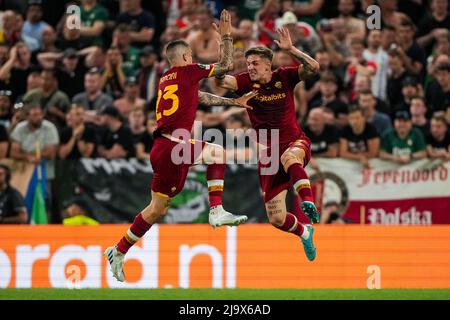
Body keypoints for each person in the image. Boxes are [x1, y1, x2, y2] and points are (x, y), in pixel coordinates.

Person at [105, 10, 255, 282]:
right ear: (186, 57)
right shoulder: (189, 71)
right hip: (175, 148)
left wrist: (233, 103)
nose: (195, 60)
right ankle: (216, 210)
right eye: (192, 57)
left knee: (157, 209)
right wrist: (227, 38)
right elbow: (224, 67)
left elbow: (199, 97)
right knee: (217, 152)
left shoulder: (167, 79)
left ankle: (118, 249)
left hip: (165, 147)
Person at [216, 27, 320, 262]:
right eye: (248, 63)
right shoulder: (244, 82)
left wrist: (291, 49)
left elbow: (313, 68)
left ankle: (308, 202)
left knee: (290, 158)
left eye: (254, 63)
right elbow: (221, 80)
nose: (250, 67)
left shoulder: (284, 76)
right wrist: (225, 47)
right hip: (268, 156)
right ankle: (304, 232)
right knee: (276, 219)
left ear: (267, 64)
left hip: (295, 141)